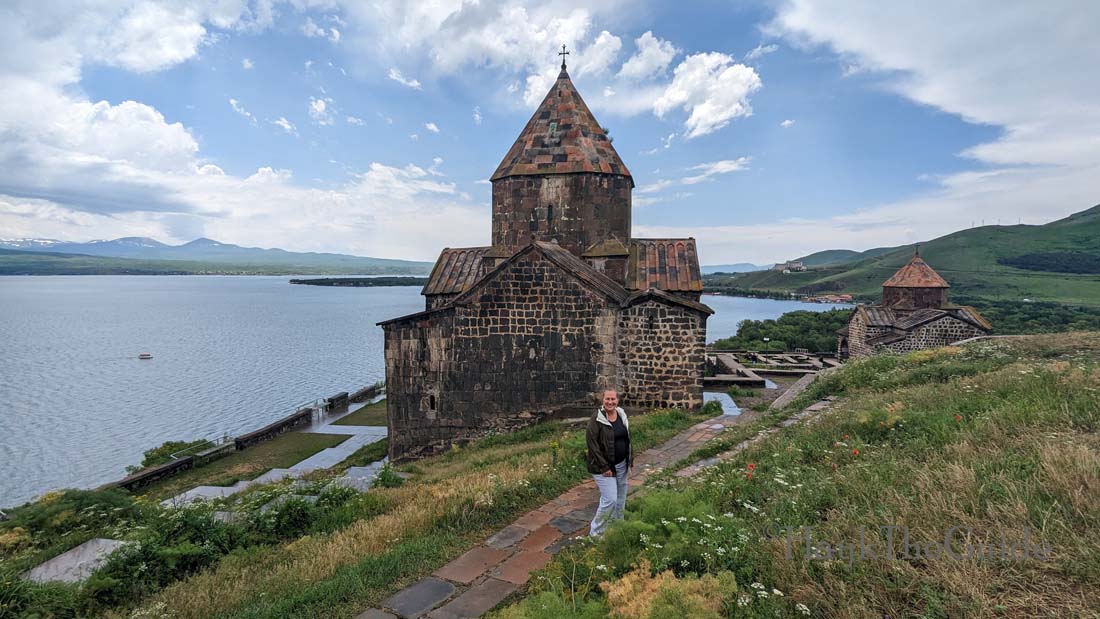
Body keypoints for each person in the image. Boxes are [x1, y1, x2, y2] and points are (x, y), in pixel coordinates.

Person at [586, 389, 632, 537]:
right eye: (607, 399)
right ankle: (596, 534)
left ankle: (617, 527)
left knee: (620, 497)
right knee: (610, 499)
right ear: (602, 399)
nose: (610, 402)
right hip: (603, 467)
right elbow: (592, 445)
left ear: (617, 400)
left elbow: (626, 438)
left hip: (621, 464)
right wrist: (604, 466)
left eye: (613, 399)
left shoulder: (621, 414)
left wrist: (629, 459)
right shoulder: (597, 418)